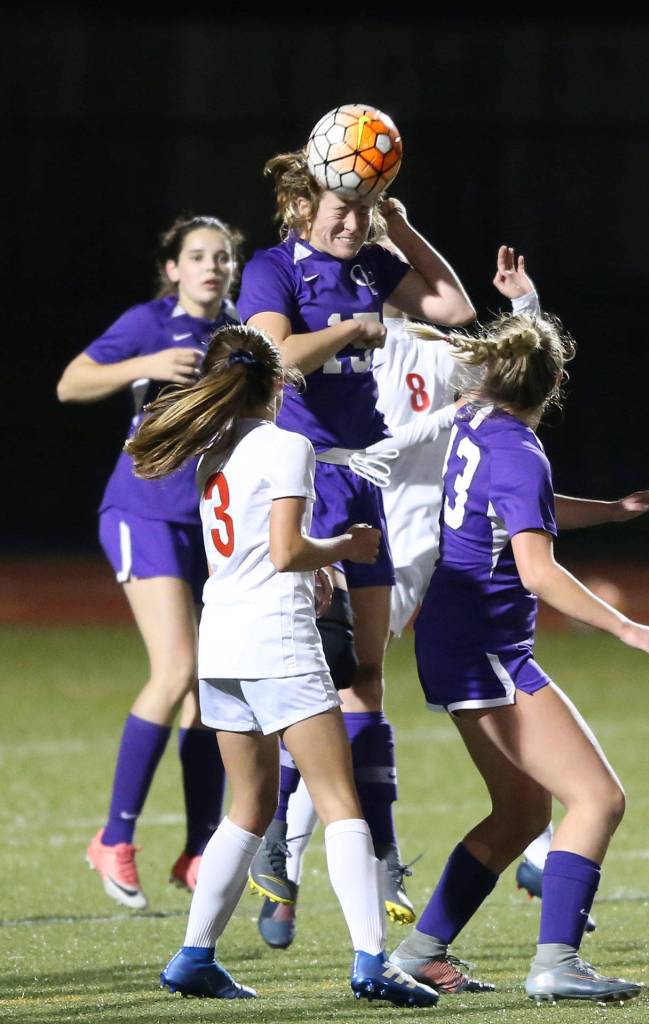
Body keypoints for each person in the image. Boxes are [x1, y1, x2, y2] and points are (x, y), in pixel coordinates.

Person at [124, 322, 439, 1006]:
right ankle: (371, 963)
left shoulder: (213, 452)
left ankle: (193, 957)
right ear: (278, 384)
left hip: (223, 647)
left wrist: (309, 567)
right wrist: (345, 551)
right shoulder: (288, 444)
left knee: (248, 806)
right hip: (276, 643)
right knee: (340, 803)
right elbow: (289, 550)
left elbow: (252, 555)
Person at [386, 307, 649, 1003]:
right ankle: (555, 963)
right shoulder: (518, 447)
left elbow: (522, 507)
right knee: (596, 798)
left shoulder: (472, 420)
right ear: (552, 387)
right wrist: (627, 627)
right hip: (484, 650)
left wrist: (610, 511)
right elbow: (537, 570)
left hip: (457, 642)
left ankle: (419, 952)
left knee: (520, 816)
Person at [236, 146, 476, 927]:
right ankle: (276, 839)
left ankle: (380, 851)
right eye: (340, 207)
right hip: (303, 482)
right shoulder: (273, 268)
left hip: (363, 484)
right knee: (308, 675)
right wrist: (351, 331)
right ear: (303, 207)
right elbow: (271, 360)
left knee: (366, 675)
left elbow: (452, 307)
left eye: (363, 207)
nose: (351, 221)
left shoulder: (374, 260)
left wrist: (403, 229)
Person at [56, 215, 242, 908]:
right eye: (196, 256)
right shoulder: (148, 323)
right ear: (172, 269)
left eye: (221, 257)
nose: (210, 266)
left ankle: (197, 850)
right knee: (175, 671)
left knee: (210, 689)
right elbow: (70, 384)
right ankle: (113, 837)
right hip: (142, 511)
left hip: (208, 526)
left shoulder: (241, 335)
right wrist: (145, 366)